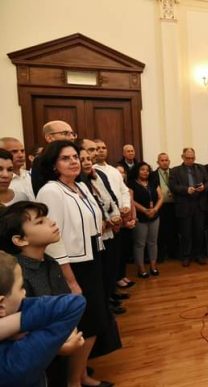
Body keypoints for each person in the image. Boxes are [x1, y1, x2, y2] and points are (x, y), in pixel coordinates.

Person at [35, 140, 116, 387]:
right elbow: (54, 240)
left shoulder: (80, 186)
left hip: (93, 258)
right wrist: (70, 279)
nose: (73, 161)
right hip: (72, 266)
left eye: (75, 157)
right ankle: (74, 382)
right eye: (65, 158)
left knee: (94, 324)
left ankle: (81, 376)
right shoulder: (51, 191)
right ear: (53, 164)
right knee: (86, 325)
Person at [0, 201, 87, 386]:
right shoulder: (16, 274)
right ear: (20, 239)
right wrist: (59, 346)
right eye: (40, 222)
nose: (52, 223)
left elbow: (63, 302)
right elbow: (17, 331)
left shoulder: (50, 263)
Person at [93, 139, 135, 290]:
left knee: (119, 252)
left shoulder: (113, 170)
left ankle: (120, 278)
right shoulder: (92, 170)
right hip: (107, 221)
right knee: (108, 258)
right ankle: (111, 287)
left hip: (120, 216)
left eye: (103, 147)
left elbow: (124, 190)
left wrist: (125, 206)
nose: (101, 151)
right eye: (97, 148)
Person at [169, 147, 208, 267]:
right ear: (182, 157)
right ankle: (186, 256)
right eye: (188, 158)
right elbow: (173, 186)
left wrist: (204, 187)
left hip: (199, 205)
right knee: (186, 233)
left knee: (199, 232)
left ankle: (199, 255)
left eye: (192, 158)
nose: (190, 160)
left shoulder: (201, 168)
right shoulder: (175, 170)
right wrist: (186, 189)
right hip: (184, 205)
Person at [128, 161, 163, 278]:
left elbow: (161, 197)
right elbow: (131, 200)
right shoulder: (132, 183)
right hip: (140, 217)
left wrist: (155, 209)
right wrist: (145, 210)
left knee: (153, 242)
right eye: (142, 169)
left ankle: (153, 266)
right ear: (137, 171)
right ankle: (141, 268)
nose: (145, 172)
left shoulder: (153, 182)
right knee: (140, 244)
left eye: (147, 170)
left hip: (154, 216)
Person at [31, 120, 78, 195]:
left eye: (73, 134)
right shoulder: (41, 160)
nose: (72, 137)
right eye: (66, 133)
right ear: (49, 138)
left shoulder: (76, 156)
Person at [150, 152, 179, 262]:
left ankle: (174, 253)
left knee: (173, 230)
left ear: (169, 161)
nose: (164, 162)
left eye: (166, 160)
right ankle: (161, 254)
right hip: (160, 206)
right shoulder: (153, 175)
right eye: (162, 160)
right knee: (160, 231)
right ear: (158, 162)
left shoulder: (174, 173)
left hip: (174, 205)